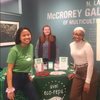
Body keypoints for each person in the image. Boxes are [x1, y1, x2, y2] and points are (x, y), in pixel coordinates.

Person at [3, 27, 38, 100]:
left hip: (25, 78)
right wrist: (10, 89)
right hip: (14, 78)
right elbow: (9, 70)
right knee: (9, 98)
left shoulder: (31, 46)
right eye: (23, 35)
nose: (27, 37)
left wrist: (28, 74)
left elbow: (27, 62)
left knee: (34, 98)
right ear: (19, 37)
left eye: (28, 34)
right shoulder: (14, 50)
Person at [68, 27, 98, 100]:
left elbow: (90, 64)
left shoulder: (87, 46)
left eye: (80, 35)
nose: (78, 36)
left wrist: (87, 82)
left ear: (83, 36)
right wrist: (74, 72)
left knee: (87, 98)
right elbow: (76, 59)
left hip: (88, 72)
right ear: (73, 34)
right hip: (78, 73)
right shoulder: (71, 45)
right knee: (73, 97)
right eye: (76, 34)